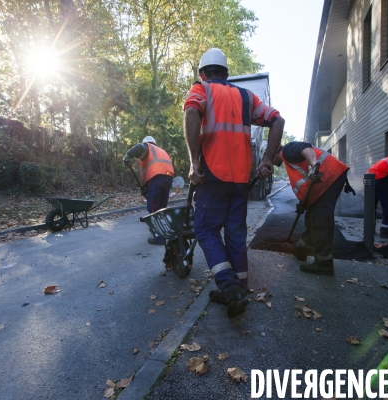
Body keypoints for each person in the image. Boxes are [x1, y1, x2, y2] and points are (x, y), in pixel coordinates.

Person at [183, 48, 284, 318]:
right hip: (241, 179)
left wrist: (194, 162)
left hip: (212, 177)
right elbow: (277, 120)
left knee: (205, 230)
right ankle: (240, 287)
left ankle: (230, 288)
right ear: (227, 74)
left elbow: (192, 112)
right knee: (236, 234)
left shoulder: (201, 89)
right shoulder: (246, 96)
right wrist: (266, 159)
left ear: (202, 72)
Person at [271, 141, 352, 276]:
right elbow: (305, 183)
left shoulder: (288, 150)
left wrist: (315, 165)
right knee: (313, 216)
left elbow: (305, 148)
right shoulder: (288, 160)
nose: (271, 163)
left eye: (269, 158)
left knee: (320, 218)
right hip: (325, 182)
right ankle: (302, 250)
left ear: (273, 152)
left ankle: (323, 263)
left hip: (329, 176)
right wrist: (305, 203)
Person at [123, 136, 174, 245]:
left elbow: (139, 147)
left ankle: (158, 237)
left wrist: (128, 155)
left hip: (156, 178)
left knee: (153, 208)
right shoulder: (161, 151)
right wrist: (146, 189)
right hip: (168, 178)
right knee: (161, 208)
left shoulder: (147, 146)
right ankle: (163, 231)